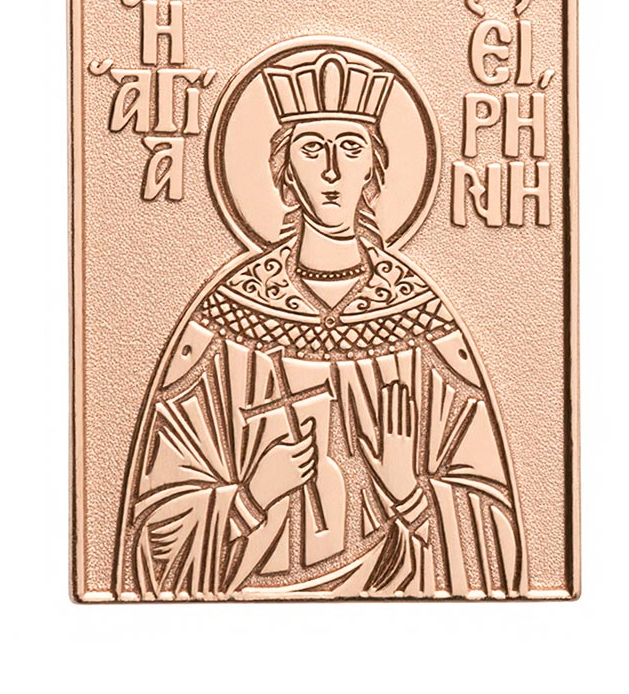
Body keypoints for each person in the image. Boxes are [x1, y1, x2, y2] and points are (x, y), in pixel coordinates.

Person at [114, 48, 525, 598]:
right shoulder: (226, 318)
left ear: (374, 168)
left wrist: (407, 491)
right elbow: (152, 533)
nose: (332, 170)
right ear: (285, 171)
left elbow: (496, 541)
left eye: (350, 148)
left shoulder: (420, 318)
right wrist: (251, 497)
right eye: (312, 149)